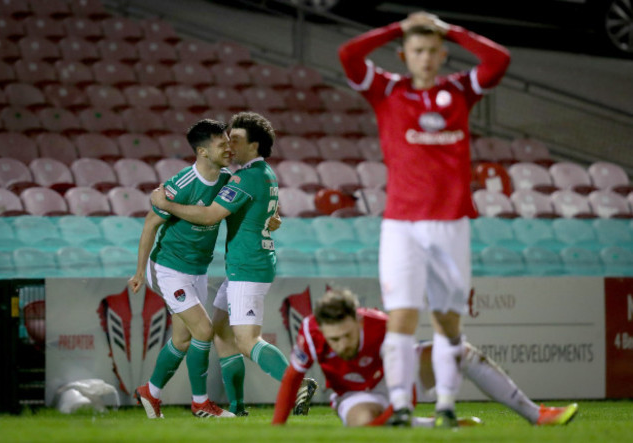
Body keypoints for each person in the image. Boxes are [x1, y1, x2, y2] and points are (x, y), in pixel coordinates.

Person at [338, 11, 511, 427]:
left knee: (448, 319)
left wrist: (449, 28)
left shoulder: (460, 90)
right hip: (401, 224)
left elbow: (499, 60)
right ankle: (400, 405)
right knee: (402, 314)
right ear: (404, 54)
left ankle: (447, 404)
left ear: (442, 54)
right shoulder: (387, 91)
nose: (426, 58)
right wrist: (399, 26)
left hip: (451, 222)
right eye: (417, 50)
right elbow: (348, 54)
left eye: (434, 51)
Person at [150, 111, 318, 416]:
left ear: (253, 146)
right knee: (221, 334)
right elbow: (266, 214)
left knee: (246, 340)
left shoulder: (245, 177)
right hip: (246, 266)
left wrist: (166, 205)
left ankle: (296, 383)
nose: (230, 145)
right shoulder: (265, 174)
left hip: (248, 268)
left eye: (236, 140)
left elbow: (210, 215)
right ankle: (238, 408)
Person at [272, 289, 578, 427]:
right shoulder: (312, 331)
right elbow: (291, 379)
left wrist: (400, 408)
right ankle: (433, 425)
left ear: (359, 321)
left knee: (460, 351)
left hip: (395, 376)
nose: (341, 345)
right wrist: (276, 430)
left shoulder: (381, 325)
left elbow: (407, 381)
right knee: (363, 426)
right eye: (334, 339)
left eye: (347, 336)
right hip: (351, 393)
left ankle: (537, 415)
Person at [129, 119, 238, 419]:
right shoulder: (181, 185)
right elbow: (150, 225)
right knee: (204, 330)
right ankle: (201, 404)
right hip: (168, 268)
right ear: (202, 151)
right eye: (222, 144)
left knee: (182, 339)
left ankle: (150, 392)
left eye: (229, 142)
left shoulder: (227, 179)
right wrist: (140, 271)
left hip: (198, 270)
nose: (229, 148)